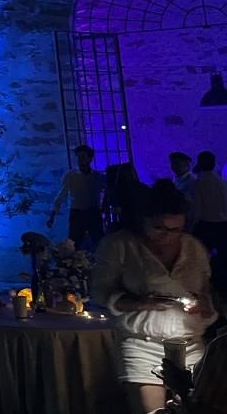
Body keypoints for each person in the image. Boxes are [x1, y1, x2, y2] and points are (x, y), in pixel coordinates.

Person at [91, 179, 218, 414]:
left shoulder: (193, 248)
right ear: (143, 220)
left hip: (190, 343)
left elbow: (207, 291)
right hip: (142, 342)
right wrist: (140, 303)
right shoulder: (119, 245)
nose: (168, 236)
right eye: (159, 228)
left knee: (200, 408)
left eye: (176, 229)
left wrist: (204, 305)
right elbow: (100, 292)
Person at [47, 143, 106, 248]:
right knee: (74, 244)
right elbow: (61, 195)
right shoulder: (71, 175)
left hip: (94, 212)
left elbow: (106, 191)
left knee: (99, 243)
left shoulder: (97, 177)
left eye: (83, 157)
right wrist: (52, 215)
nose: (80, 160)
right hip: (77, 214)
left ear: (90, 158)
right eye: (78, 157)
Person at [192, 151, 227, 257]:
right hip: (223, 224)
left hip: (206, 225)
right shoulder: (221, 182)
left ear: (200, 163)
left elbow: (197, 207)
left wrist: (193, 224)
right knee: (222, 255)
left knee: (204, 254)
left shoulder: (198, 182)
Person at [109, 163, 151, 235]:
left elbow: (116, 208)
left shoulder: (118, 190)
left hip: (127, 224)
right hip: (142, 222)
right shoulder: (143, 188)